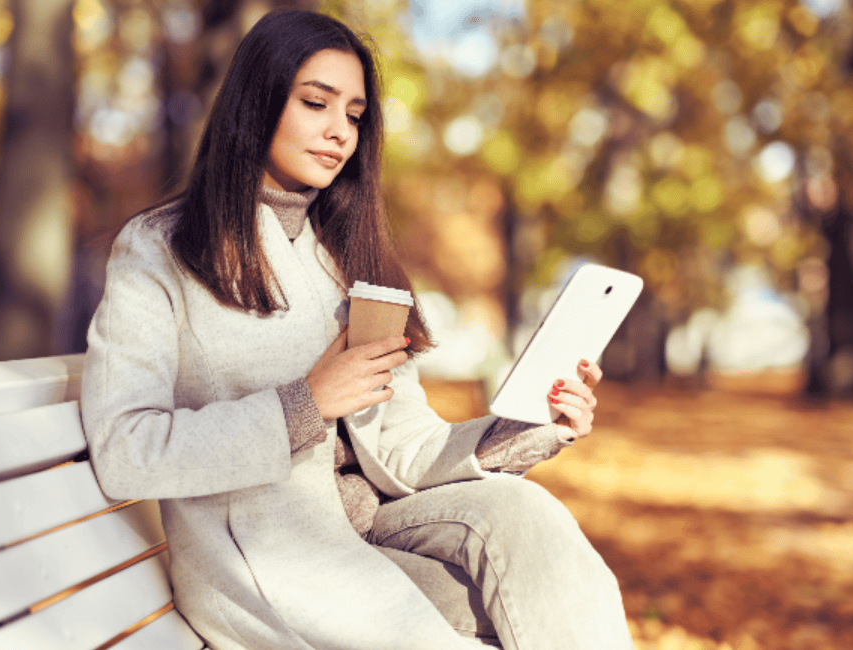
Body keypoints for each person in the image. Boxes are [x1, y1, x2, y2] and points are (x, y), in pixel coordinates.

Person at [80, 9, 636, 650]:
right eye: (316, 103)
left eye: (353, 114)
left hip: (375, 530)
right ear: (257, 102)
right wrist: (305, 404)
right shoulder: (161, 248)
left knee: (532, 526)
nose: (339, 132)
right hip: (270, 556)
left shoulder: (348, 254)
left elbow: (406, 448)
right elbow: (126, 449)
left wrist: (530, 423)